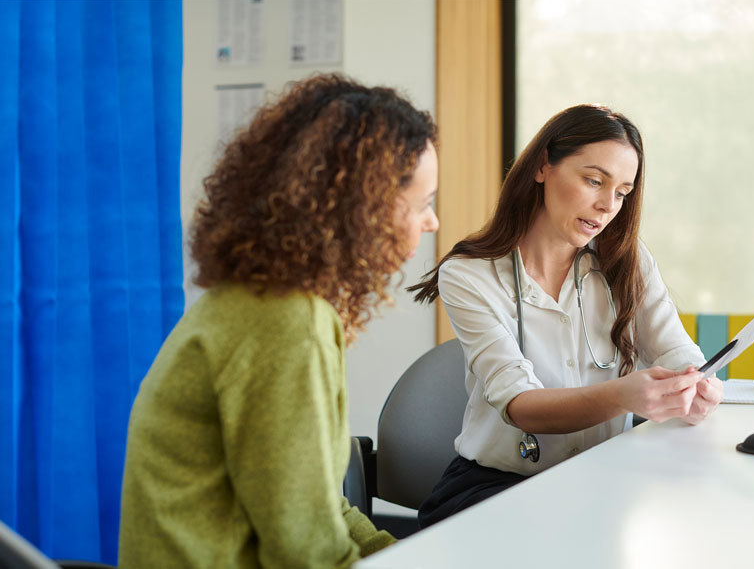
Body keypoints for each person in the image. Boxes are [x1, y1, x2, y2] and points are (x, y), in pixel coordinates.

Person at [118, 74, 439, 567]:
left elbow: (318, 505)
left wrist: (401, 558)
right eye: (421, 204)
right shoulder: (288, 324)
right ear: (363, 207)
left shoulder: (259, 301)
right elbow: (304, 549)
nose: (431, 221)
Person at [409, 104, 723, 527]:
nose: (607, 205)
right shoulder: (468, 274)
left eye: (622, 192)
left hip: (602, 480)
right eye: (594, 180)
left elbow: (676, 352)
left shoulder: (626, 261)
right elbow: (519, 404)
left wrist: (696, 387)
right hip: (498, 487)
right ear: (543, 167)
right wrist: (627, 396)